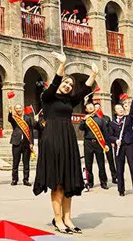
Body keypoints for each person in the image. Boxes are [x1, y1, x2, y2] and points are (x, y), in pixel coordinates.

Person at [33, 52, 97, 235]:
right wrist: (62, 65)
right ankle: (58, 219)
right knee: (58, 182)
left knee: (69, 181)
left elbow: (85, 90)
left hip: (68, 139)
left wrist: (93, 75)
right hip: (52, 139)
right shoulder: (48, 97)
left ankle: (68, 219)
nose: (68, 86)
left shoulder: (70, 101)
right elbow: (53, 84)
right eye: (65, 83)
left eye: (70, 84)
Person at [110, 94, 133, 198]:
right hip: (119, 147)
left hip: (130, 145)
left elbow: (132, 111)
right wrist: (115, 140)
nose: (121, 110)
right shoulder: (112, 123)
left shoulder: (128, 119)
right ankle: (121, 189)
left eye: (121, 108)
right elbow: (109, 135)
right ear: (115, 111)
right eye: (118, 108)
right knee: (119, 168)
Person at [78, 99, 110, 190]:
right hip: (88, 143)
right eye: (88, 107)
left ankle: (103, 182)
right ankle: (90, 182)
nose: (90, 107)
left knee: (101, 163)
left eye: (91, 105)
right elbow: (81, 128)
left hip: (98, 143)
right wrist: (84, 120)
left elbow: (105, 133)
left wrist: (106, 144)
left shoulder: (101, 119)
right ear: (86, 110)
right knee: (88, 164)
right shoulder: (85, 119)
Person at [8, 103, 34, 186]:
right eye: (17, 108)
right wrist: (10, 112)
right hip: (16, 142)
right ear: (15, 110)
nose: (18, 109)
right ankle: (14, 179)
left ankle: (26, 180)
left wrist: (31, 142)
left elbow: (31, 131)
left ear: (22, 109)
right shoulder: (14, 118)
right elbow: (9, 119)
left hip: (26, 143)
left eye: (20, 108)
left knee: (26, 163)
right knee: (16, 162)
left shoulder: (28, 118)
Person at [99, 102, 117, 184]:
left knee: (110, 160)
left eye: (98, 107)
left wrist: (111, 141)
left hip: (107, 141)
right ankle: (103, 180)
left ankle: (114, 177)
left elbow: (110, 130)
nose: (97, 109)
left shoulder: (106, 118)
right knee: (101, 162)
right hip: (98, 142)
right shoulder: (92, 119)